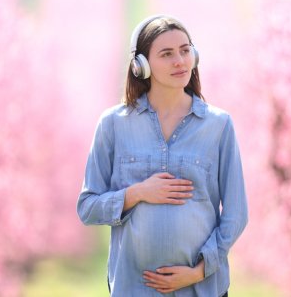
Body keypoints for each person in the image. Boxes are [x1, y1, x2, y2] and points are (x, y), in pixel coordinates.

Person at [77, 15, 248, 297]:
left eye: (184, 50)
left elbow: (236, 213)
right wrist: (138, 192)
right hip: (133, 288)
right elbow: (87, 207)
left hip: (201, 289)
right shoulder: (113, 124)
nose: (179, 61)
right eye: (166, 54)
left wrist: (199, 271)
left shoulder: (219, 125)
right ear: (141, 66)